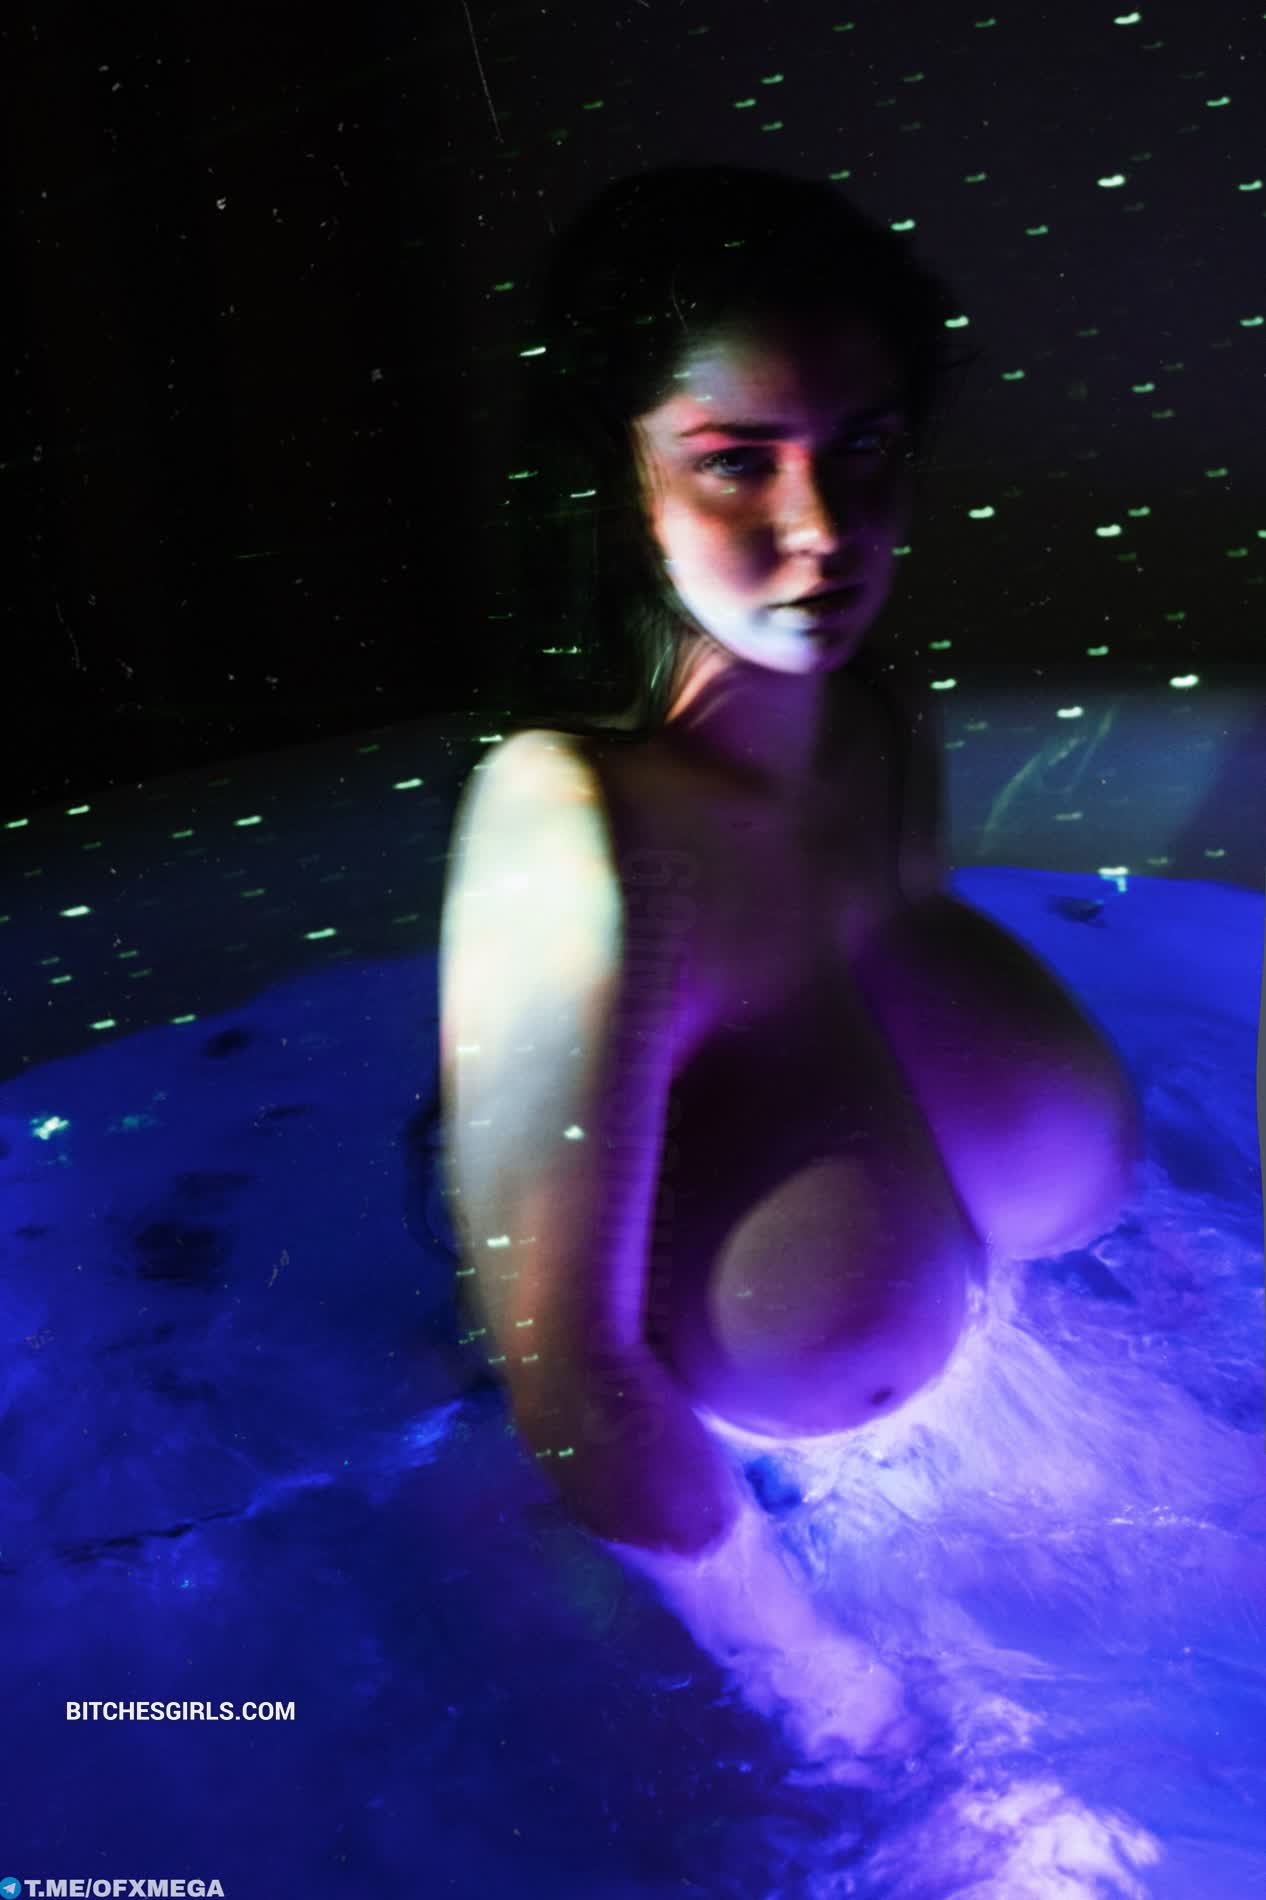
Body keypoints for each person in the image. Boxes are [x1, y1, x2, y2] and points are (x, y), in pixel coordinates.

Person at [437, 164, 1143, 1764]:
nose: (821, 532)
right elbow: (567, 1383)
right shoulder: (573, 831)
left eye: (862, 449)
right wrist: (841, 1718)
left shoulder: (867, 731)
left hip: (1035, 1500)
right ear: (616, 481)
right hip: (753, 1619)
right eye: (735, 463)